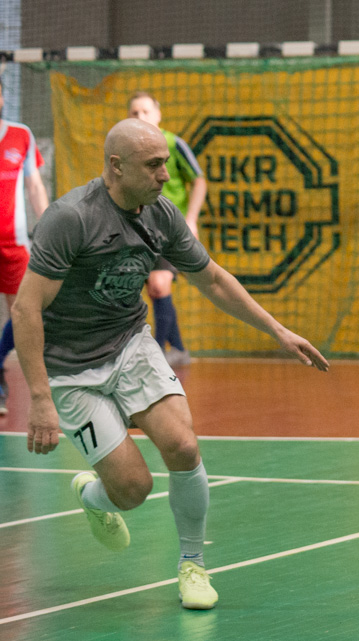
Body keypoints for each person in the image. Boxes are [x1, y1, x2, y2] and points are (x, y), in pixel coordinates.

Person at [11, 118, 329, 610]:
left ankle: (193, 564)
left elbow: (213, 279)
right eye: (154, 165)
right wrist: (38, 398)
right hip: (71, 369)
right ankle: (94, 497)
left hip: (129, 344)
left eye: (166, 163)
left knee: (183, 445)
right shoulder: (71, 217)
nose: (164, 174)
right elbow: (25, 308)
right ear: (116, 166)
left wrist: (278, 331)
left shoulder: (161, 215)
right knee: (133, 490)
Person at [127, 91, 207, 366]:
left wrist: (191, 219)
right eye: (135, 113)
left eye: (146, 111)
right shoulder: (127, 149)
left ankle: (157, 354)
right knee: (154, 289)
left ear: (158, 114)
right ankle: (180, 349)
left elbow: (199, 181)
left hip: (170, 228)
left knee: (159, 285)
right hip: (140, 228)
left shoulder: (173, 144)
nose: (140, 117)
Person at [0, 78, 50, 415]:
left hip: (14, 243)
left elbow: (34, 185)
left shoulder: (21, 135)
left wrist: (48, 228)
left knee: (24, 311)